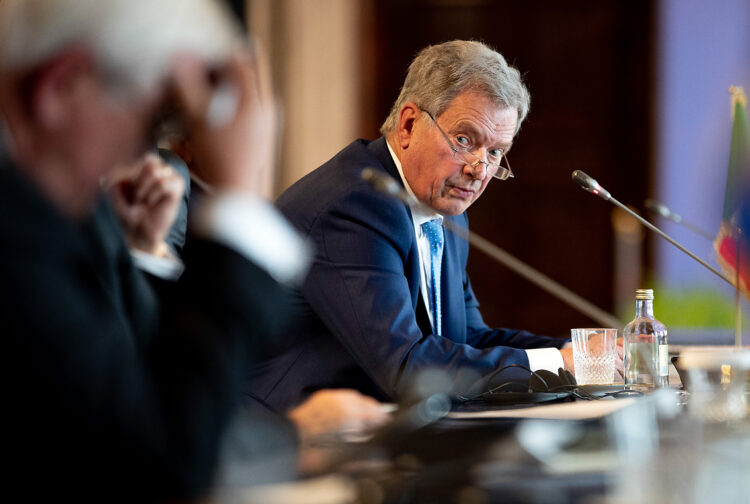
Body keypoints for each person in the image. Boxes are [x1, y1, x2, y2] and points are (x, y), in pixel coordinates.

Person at [0, 0, 385, 500]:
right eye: (142, 121)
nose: (139, 155)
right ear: (60, 88)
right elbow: (150, 460)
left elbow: (124, 388)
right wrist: (240, 199)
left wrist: (144, 249)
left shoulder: (61, 197)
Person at [249, 40, 622, 412]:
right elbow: (407, 366)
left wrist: (571, 354)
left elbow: (468, 338)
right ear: (409, 124)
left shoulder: (444, 208)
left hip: (377, 429)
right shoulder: (354, 208)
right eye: (464, 140)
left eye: (494, 152)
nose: (479, 170)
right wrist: (559, 367)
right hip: (286, 445)